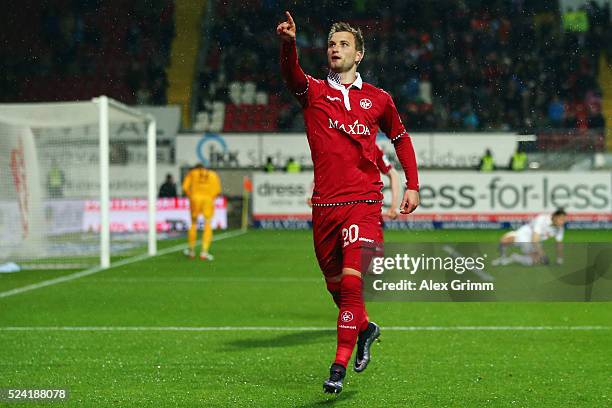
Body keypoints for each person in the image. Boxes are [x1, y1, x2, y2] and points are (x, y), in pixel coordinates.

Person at [277, 12, 420, 394]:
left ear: (359, 54)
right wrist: (289, 44)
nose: (335, 49)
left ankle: (338, 365)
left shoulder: (378, 99)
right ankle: (365, 328)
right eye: (331, 44)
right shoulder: (314, 92)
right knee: (337, 289)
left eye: (343, 44)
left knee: (354, 285)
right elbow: (291, 75)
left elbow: (401, 138)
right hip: (325, 207)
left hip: (364, 202)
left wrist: (412, 185)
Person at [307, 144, 402, 220]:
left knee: (366, 242)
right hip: (337, 210)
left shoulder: (373, 148)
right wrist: (311, 193)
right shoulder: (335, 147)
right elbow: (322, 172)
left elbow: (393, 175)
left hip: (364, 211)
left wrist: (394, 206)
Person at [492, 209, 567, 266]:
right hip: (525, 234)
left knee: (534, 261)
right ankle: (502, 258)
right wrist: (542, 254)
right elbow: (534, 239)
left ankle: (514, 258)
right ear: (554, 216)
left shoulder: (560, 228)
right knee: (504, 240)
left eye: (564, 220)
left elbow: (559, 244)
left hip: (536, 242)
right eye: (561, 219)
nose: (562, 222)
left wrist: (559, 258)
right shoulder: (542, 219)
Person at [181, 163, 222, 260]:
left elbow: (185, 187)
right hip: (207, 200)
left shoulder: (192, 173)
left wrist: (191, 196)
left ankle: (191, 251)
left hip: (195, 199)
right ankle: (204, 252)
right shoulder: (213, 174)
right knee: (207, 223)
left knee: (194, 223)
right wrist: (210, 197)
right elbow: (217, 190)